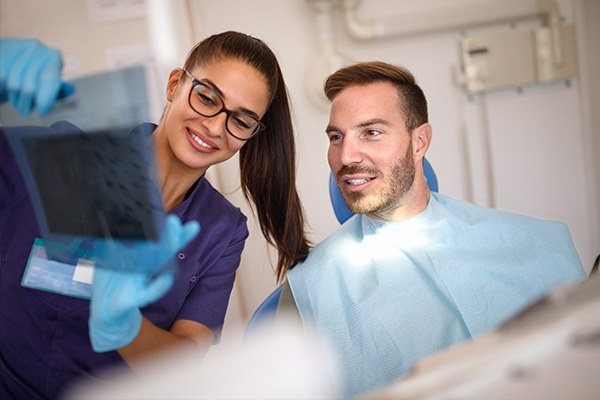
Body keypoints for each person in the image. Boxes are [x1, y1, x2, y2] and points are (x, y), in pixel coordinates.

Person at [0, 32, 310, 399]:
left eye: (241, 121)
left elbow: (184, 359)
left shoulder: (222, 230)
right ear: (175, 84)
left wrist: (126, 327)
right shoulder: (59, 157)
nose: (214, 127)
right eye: (207, 97)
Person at [286, 61, 586, 398]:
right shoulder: (310, 289)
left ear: (419, 142)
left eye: (371, 132)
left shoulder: (536, 243)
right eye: (336, 137)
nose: (346, 156)